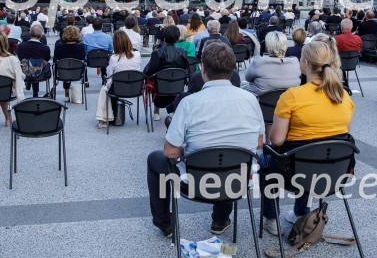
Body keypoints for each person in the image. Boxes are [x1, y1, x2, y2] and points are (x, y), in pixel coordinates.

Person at [147, 42, 264, 238]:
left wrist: (193, 151)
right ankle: (220, 220)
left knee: (155, 158)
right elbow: (259, 143)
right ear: (233, 68)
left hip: (196, 182)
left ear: (202, 68)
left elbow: (170, 152)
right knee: (231, 156)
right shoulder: (250, 99)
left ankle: (164, 223)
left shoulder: (189, 103)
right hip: (237, 182)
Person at [258, 37, 355, 233]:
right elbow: (343, 135)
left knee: (266, 158)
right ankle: (301, 210)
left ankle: (271, 218)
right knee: (309, 151)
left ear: (305, 64)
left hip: (294, 173)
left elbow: (276, 140)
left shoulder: (292, 96)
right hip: (335, 171)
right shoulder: (343, 96)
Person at [97, 31, 143, 128]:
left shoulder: (114, 58)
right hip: (136, 88)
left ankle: (105, 118)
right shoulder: (138, 54)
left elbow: (109, 75)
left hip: (118, 89)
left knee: (105, 88)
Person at [144, 25, 188, 123]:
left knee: (155, 78)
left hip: (160, 87)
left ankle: (156, 110)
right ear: (178, 37)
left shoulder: (157, 53)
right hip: (177, 86)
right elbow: (186, 69)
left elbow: (148, 71)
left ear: (164, 37)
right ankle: (175, 110)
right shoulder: (183, 52)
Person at [244, 32, 301, 96]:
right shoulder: (295, 62)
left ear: (267, 46)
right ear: (285, 46)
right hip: (288, 101)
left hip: (261, 101)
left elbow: (247, 78)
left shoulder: (258, 62)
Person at [53, 25, 86, 102]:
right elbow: (83, 58)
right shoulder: (81, 46)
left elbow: (55, 60)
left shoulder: (58, 46)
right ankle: (75, 95)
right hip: (77, 73)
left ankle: (66, 95)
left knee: (65, 66)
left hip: (63, 73)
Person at [16, 24, 51, 98]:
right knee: (37, 65)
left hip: (25, 72)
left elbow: (20, 58)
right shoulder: (45, 48)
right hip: (41, 74)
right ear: (41, 35)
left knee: (31, 64)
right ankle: (35, 93)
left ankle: (29, 84)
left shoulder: (21, 46)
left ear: (30, 33)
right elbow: (46, 59)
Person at [83, 17, 114, 82]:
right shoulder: (108, 37)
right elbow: (111, 50)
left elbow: (84, 50)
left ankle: (86, 81)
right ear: (102, 26)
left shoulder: (87, 37)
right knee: (105, 56)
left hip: (90, 61)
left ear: (93, 26)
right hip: (104, 61)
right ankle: (104, 77)